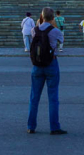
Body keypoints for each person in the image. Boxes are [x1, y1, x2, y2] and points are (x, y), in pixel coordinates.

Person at [27, 7, 66, 135]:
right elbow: (61, 41)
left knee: (34, 97)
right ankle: (54, 127)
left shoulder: (34, 29)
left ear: (42, 16)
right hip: (51, 63)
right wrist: (53, 25)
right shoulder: (55, 31)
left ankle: (31, 126)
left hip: (37, 65)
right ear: (53, 17)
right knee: (53, 97)